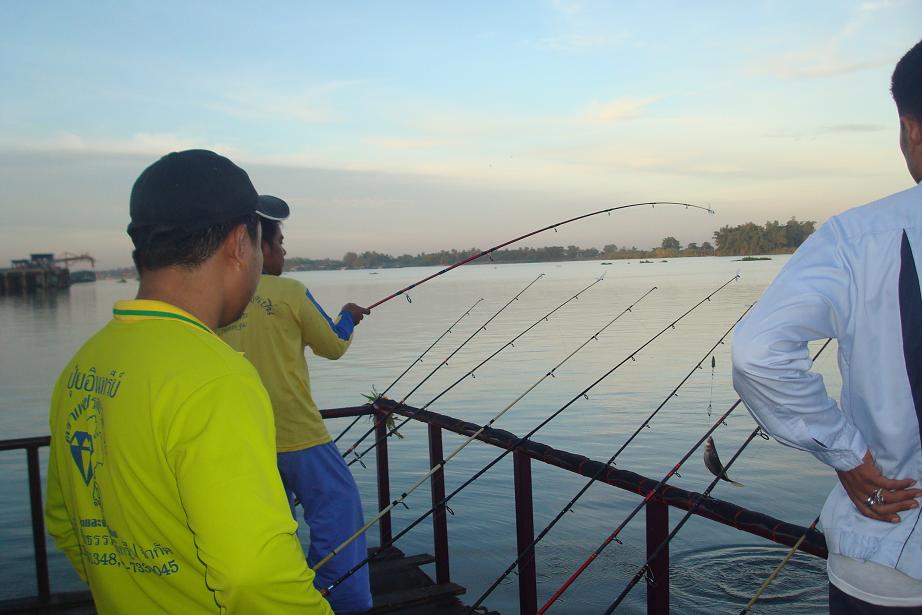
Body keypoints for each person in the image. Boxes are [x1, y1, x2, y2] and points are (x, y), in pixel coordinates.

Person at [44, 150, 332, 614]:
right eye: (261, 244)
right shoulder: (217, 378)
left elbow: (65, 522)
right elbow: (253, 578)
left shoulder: (85, 364)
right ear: (240, 244)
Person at [732, 39, 922, 613]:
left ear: (913, 128)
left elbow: (759, 352)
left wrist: (844, 453)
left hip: (891, 550)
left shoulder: (860, 237)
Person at [218, 200, 372, 613]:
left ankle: (283, 597)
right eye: (279, 243)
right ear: (259, 247)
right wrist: (347, 316)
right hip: (299, 433)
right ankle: (342, 598)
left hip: (245, 440)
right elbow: (333, 345)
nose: (283, 252)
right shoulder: (290, 292)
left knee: (272, 528)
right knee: (337, 508)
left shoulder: (216, 298)